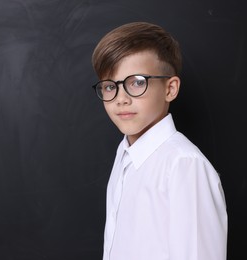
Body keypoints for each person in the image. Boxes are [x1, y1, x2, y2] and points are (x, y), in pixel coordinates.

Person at [91, 21, 228, 260]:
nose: (120, 98)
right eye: (110, 86)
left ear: (170, 89)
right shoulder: (125, 153)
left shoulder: (184, 165)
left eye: (137, 82)